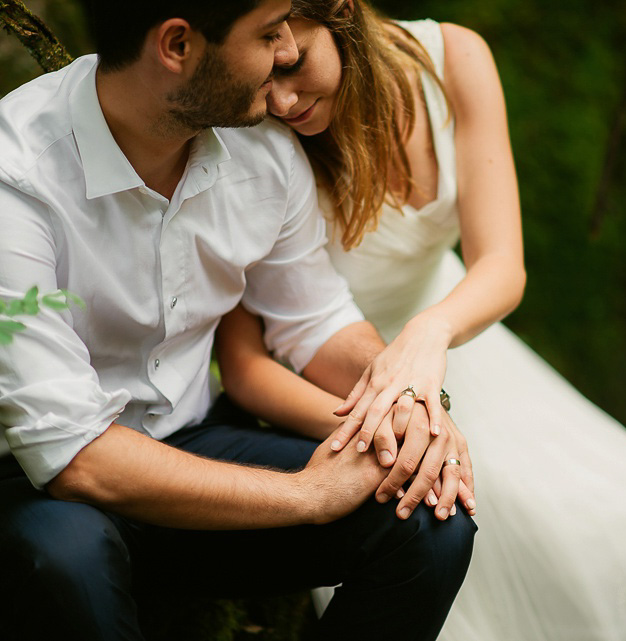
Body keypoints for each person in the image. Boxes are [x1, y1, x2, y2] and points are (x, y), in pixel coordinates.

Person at [215, 1, 626, 639]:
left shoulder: (454, 58)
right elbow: (243, 365)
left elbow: (503, 266)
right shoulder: (252, 139)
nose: (285, 101)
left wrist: (429, 334)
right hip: (340, 389)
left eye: (294, 66)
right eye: (263, 80)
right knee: (453, 560)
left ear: (340, 11)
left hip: (462, 342)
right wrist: (392, 425)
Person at [0, 1, 477, 640]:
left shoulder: (264, 151)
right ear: (177, 46)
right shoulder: (16, 179)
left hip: (191, 437)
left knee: (428, 519)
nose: (287, 51)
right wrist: (308, 496)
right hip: (42, 485)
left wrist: (405, 402)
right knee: (68, 561)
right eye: (267, 32)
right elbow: (74, 457)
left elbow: (313, 319)